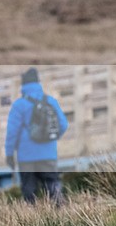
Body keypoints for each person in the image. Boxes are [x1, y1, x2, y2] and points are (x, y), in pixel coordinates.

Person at [5, 68, 69, 205]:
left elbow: (12, 132)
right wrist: (51, 139)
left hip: (26, 155)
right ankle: (61, 216)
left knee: (29, 192)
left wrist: (9, 154)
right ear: (38, 82)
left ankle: (32, 221)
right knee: (53, 187)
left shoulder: (19, 105)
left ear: (23, 85)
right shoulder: (50, 101)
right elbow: (63, 124)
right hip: (48, 154)